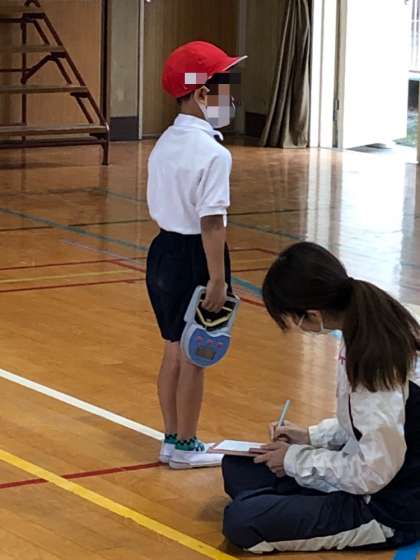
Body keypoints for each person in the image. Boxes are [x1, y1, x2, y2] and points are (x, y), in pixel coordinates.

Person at [222, 241, 420, 552]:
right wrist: (311, 437)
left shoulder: (373, 365)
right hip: (370, 477)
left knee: (242, 520)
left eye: (294, 320)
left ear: (312, 314)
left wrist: (295, 460)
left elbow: (373, 471)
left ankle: (284, 508)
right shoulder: (366, 325)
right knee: (238, 466)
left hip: (386, 508)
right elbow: (367, 426)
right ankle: (287, 505)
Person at [146, 41, 246, 469]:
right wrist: (217, 280)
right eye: (225, 87)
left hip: (161, 252)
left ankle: (171, 438)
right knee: (196, 355)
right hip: (195, 258)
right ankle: (187, 445)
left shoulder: (165, 142)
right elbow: (212, 223)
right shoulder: (213, 153)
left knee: (173, 348)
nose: (231, 97)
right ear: (202, 92)